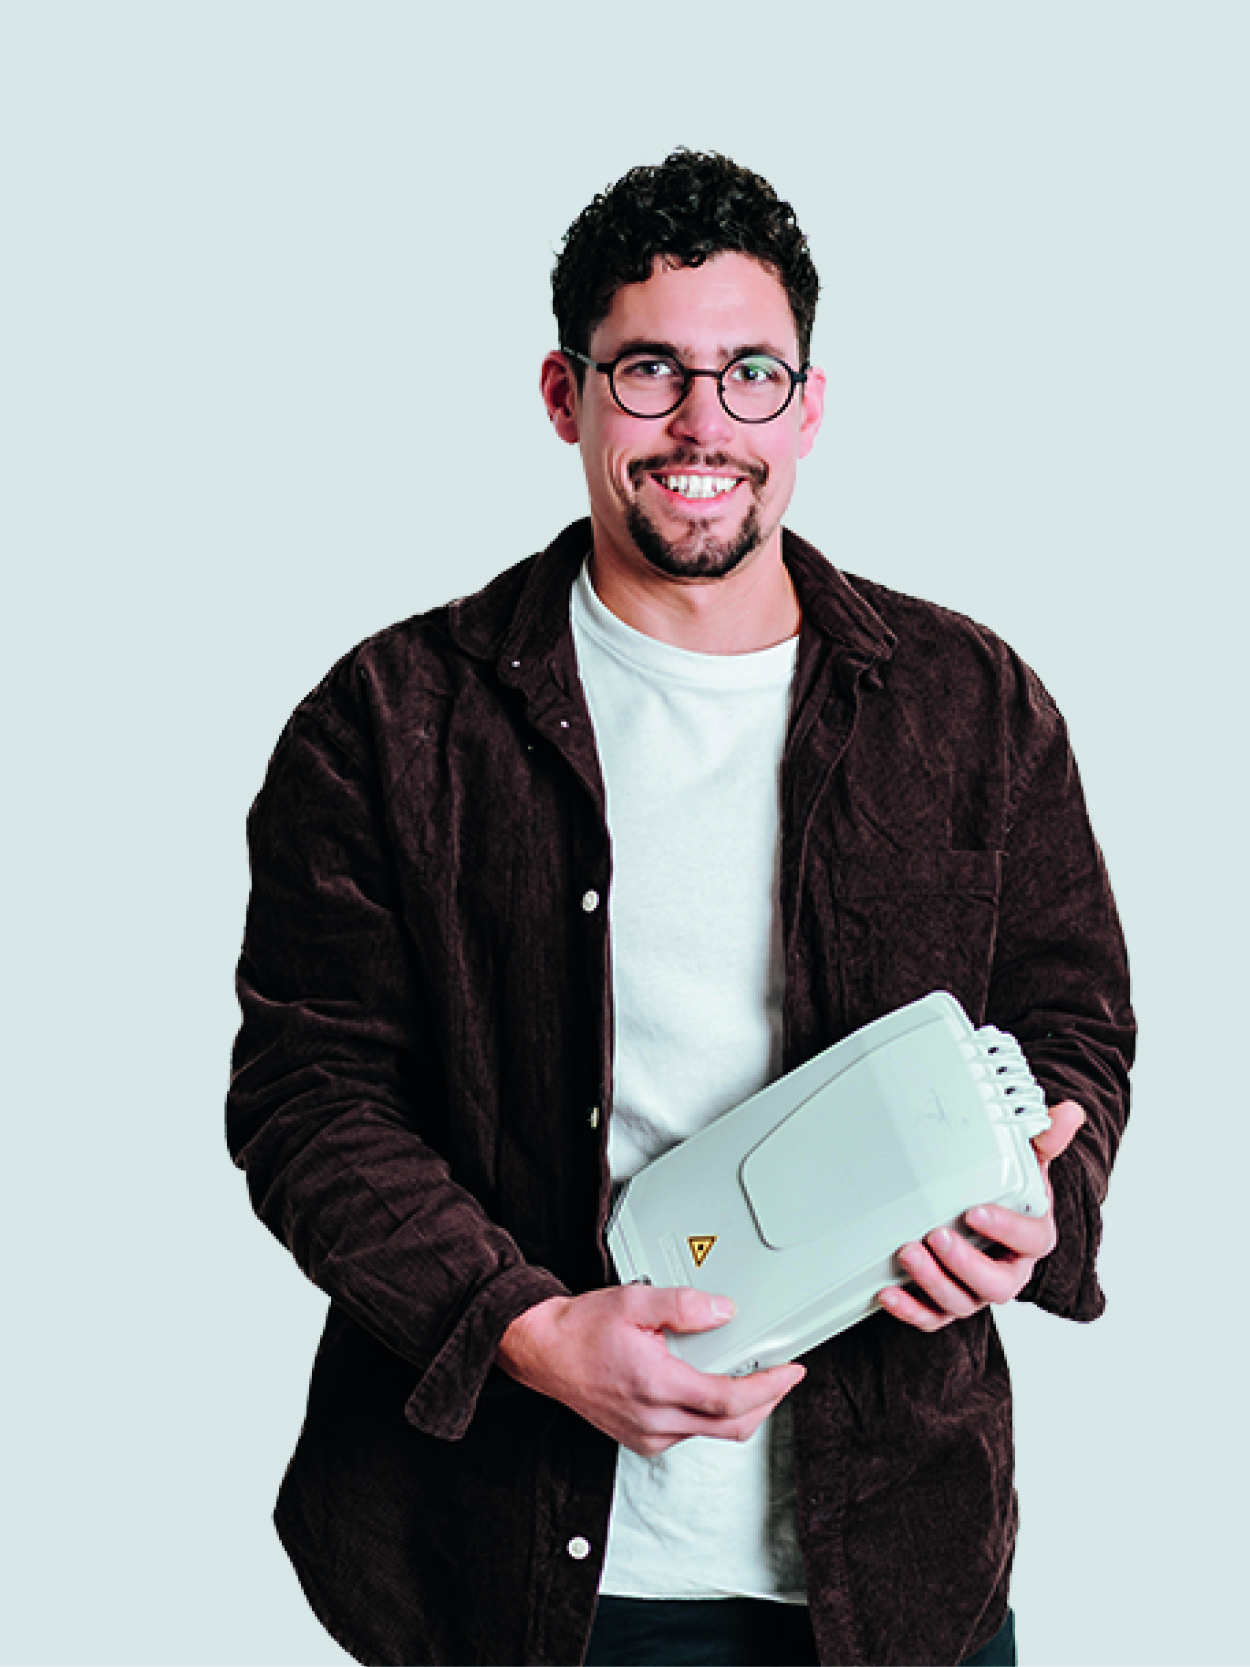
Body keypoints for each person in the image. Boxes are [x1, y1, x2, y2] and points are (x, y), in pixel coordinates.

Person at [227, 150, 1133, 1667]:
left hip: (898, 1569)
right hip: (506, 1571)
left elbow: (1071, 1023)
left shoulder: (972, 704)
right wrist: (523, 1330)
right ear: (564, 394)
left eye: (750, 373)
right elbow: (310, 1097)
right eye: (649, 370)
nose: (704, 423)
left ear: (809, 405)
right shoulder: (388, 721)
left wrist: (1034, 1205)